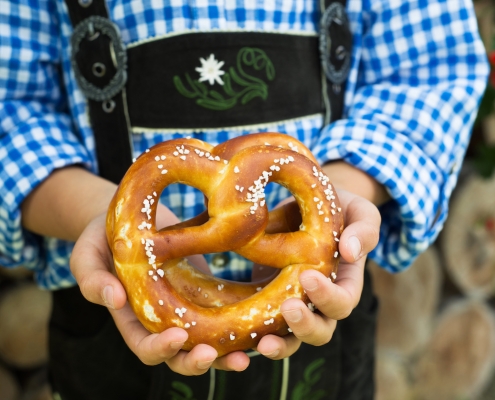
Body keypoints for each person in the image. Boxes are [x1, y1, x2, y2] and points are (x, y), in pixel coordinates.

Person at [0, 0, 488, 399]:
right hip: (116, 305)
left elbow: (427, 76)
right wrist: (98, 214)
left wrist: (339, 200)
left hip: (323, 299)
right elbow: (12, 110)